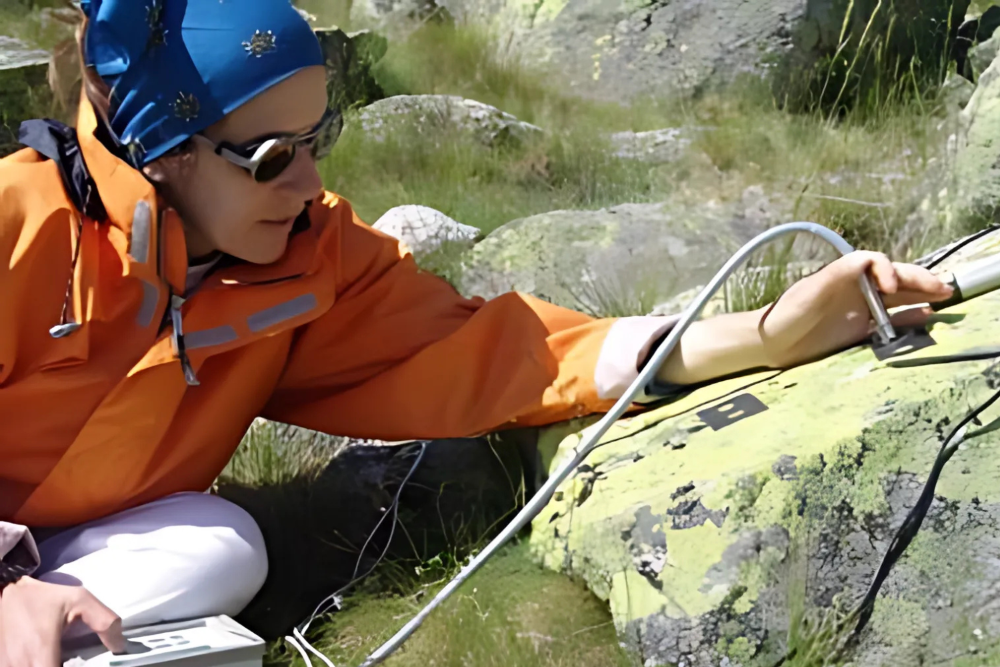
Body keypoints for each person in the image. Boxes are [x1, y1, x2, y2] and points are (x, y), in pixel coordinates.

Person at [0, 1, 954, 665]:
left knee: (227, 545)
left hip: (84, 547)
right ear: (163, 152)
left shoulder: (309, 260)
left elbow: (508, 356)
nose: (307, 186)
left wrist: (765, 335)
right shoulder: (18, 224)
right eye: (270, 157)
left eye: (318, 140)